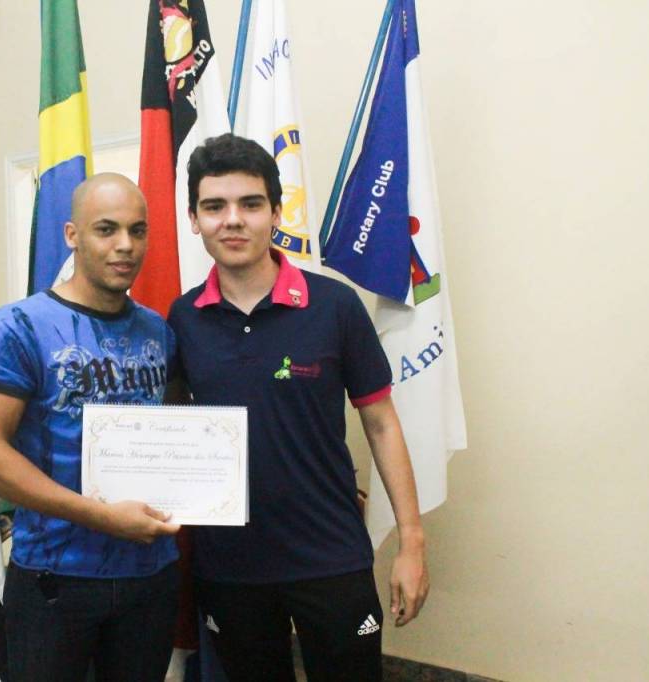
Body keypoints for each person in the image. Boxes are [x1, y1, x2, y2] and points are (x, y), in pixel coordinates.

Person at [167, 134, 429, 682]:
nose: (232, 220)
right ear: (194, 219)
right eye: (214, 206)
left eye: (250, 203)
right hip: (230, 567)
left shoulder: (334, 306)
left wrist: (412, 542)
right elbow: (173, 435)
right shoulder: (183, 319)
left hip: (331, 558)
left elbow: (381, 424)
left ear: (276, 212)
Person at [0, 173, 181, 682]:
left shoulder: (158, 330)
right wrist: (103, 517)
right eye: (106, 229)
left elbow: (172, 432)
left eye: (137, 230)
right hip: (55, 578)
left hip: (149, 574)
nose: (125, 245)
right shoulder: (20, 326)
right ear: (72, 235)